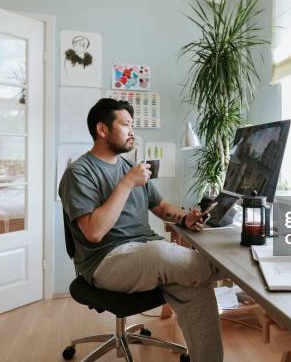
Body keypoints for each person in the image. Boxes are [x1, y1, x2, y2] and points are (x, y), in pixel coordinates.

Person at [58, 98, 223, 362]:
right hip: (105, 261)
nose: (133, 131)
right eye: (126, 125)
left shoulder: (131, 169)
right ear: (102, 130)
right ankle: (229, 270)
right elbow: (94, 232)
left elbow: (161, 207)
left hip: (146, 252)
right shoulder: (79, 173)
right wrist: (126, 184)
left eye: (133, 125)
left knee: (196, 288)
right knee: (163, 252)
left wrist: (186, 218)